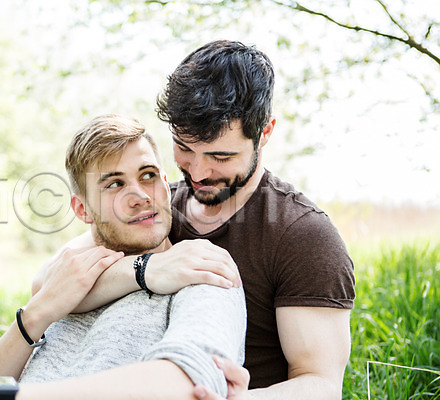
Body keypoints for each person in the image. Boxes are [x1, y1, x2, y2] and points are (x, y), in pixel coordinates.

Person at [0, 114, 246, 400]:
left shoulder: (200, 270)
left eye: (148, 175)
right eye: (113, 184)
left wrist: (3, 397)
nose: (140, 195)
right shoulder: (71, 277)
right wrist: (35, 315)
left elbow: (187, 382)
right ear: (82, 210)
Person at [37, 40, 356, 399]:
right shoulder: (154, 209)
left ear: (264, 133)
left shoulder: (303, 236)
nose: (199, 173)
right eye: (184, 149)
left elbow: (321, 384)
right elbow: (47, 283)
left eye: (220, 156)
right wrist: (148, 270)